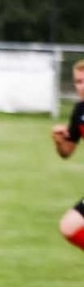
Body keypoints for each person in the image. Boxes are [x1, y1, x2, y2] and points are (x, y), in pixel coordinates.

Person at [50, 59, 84, 253]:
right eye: (78, 82)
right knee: (69, 227)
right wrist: (59, 140)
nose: (81, 86)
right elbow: (67, 152)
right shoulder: (80, 111)